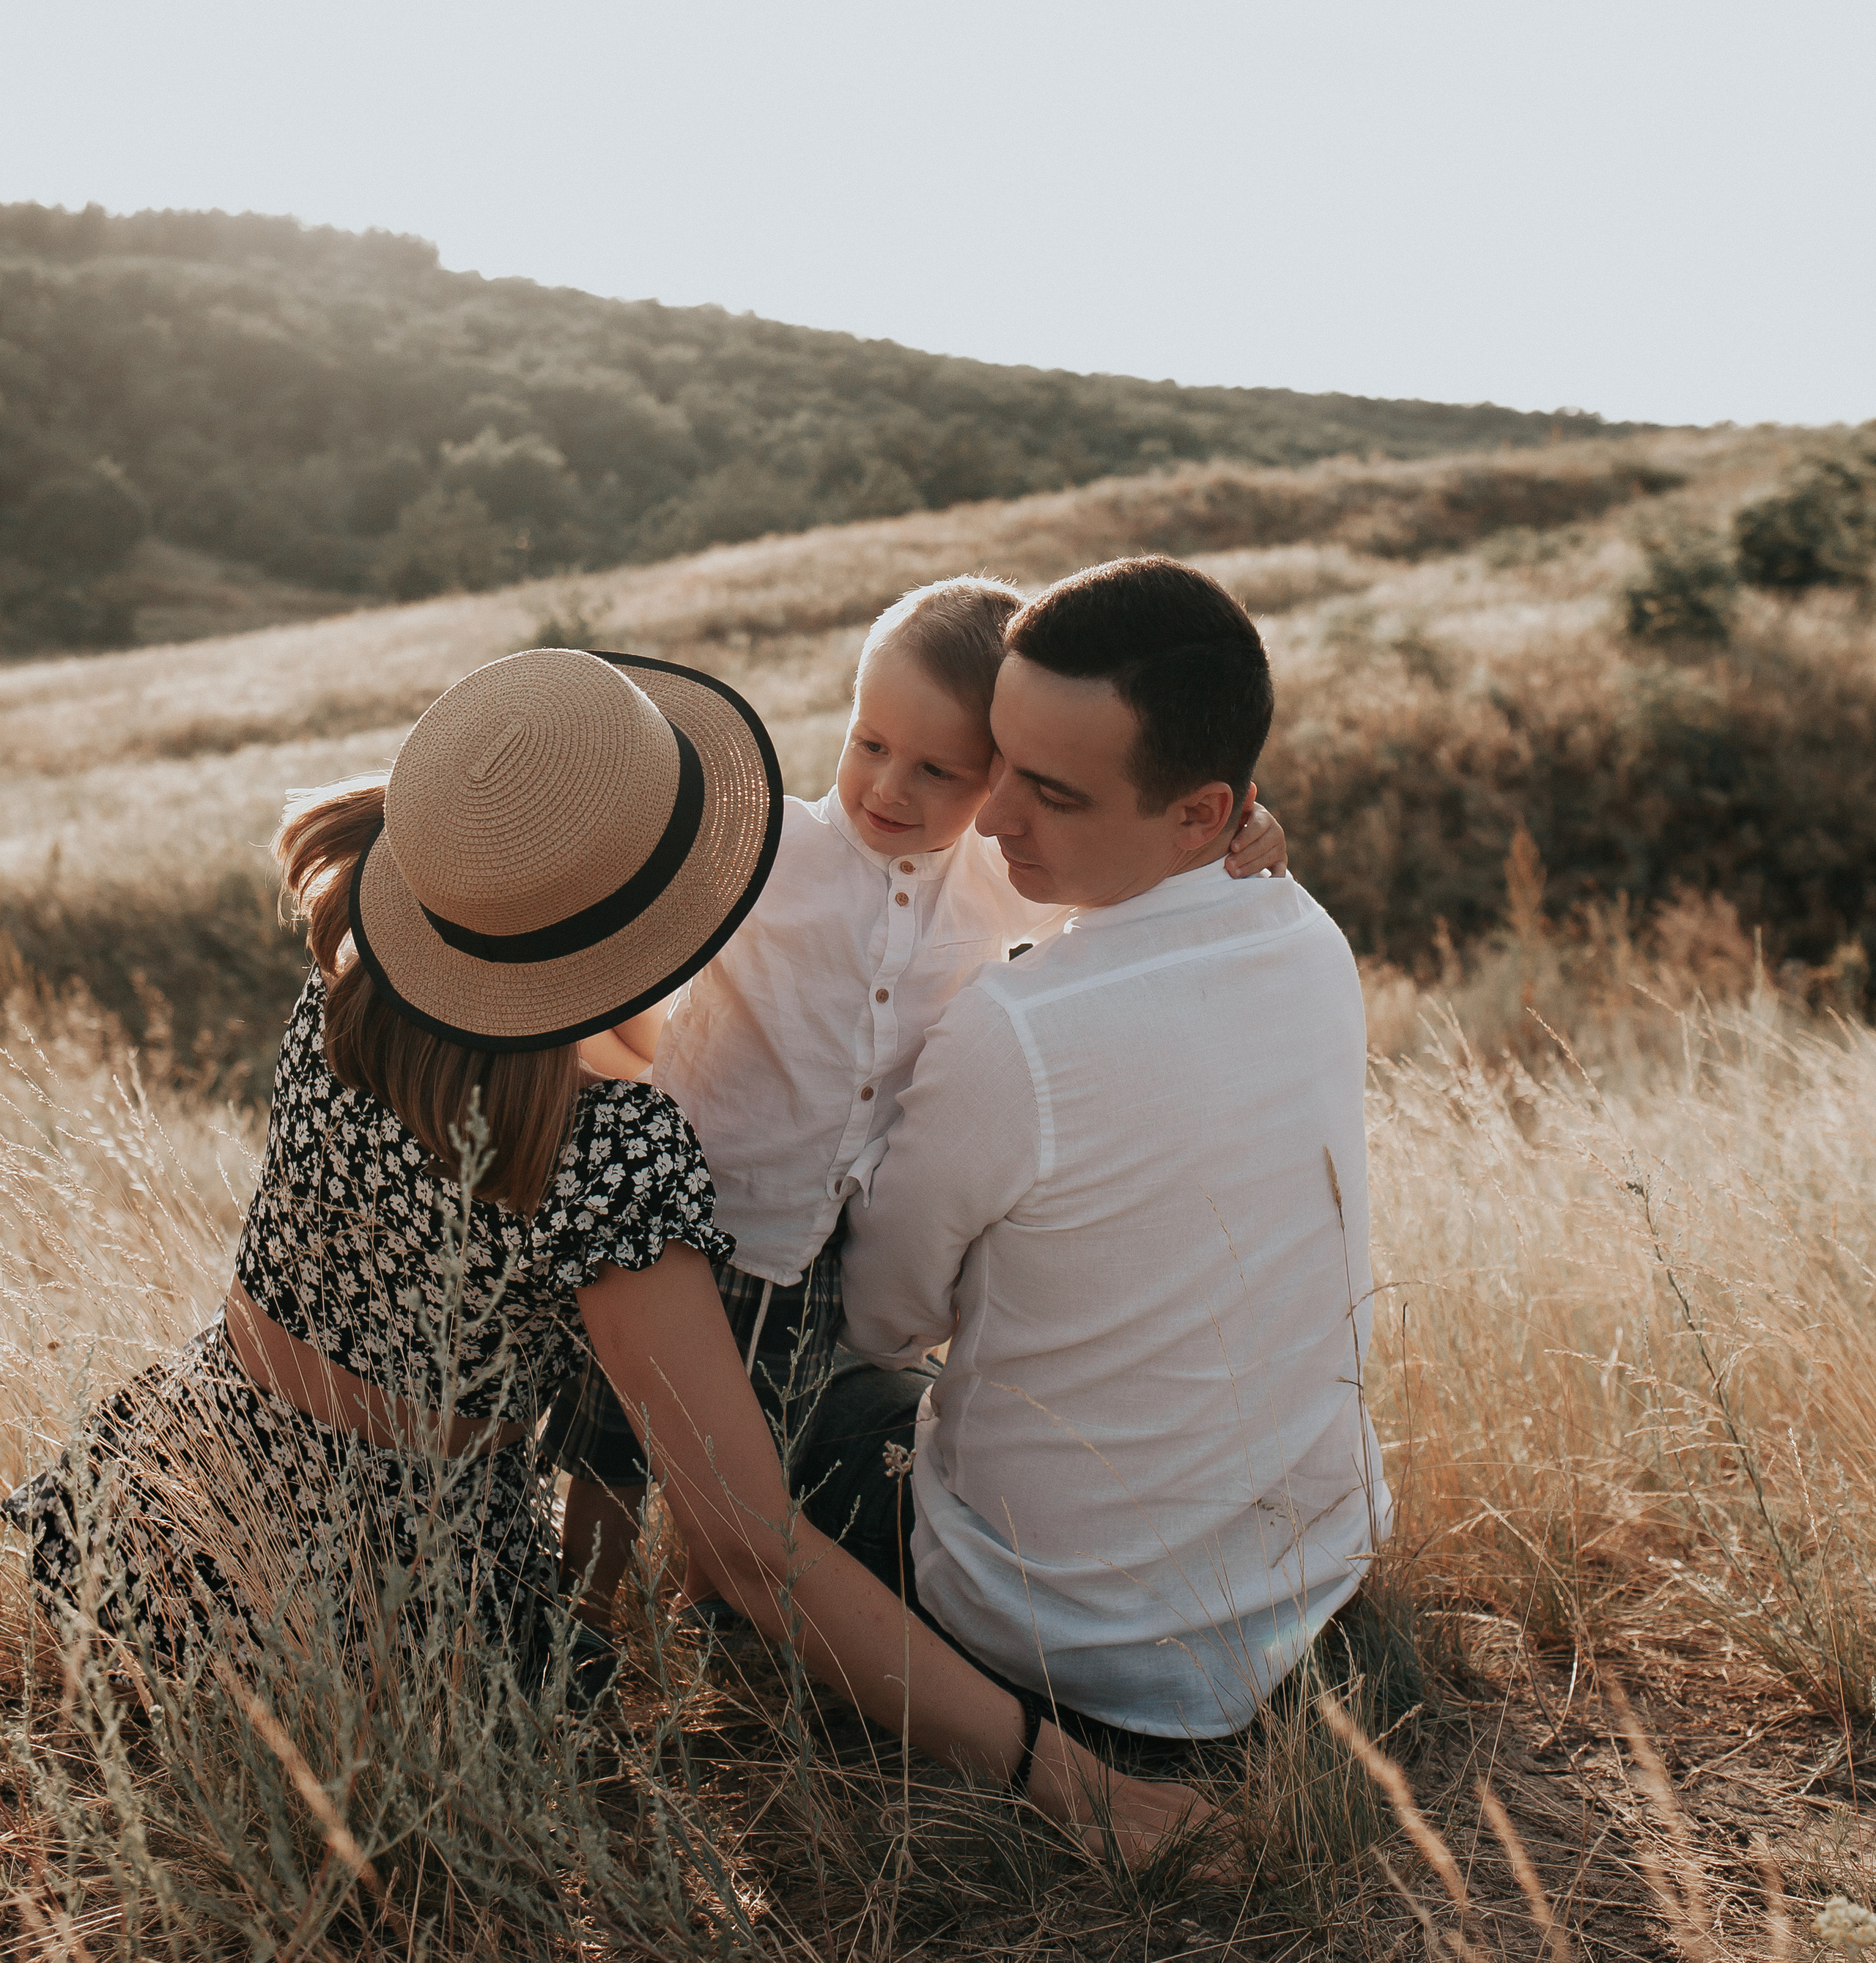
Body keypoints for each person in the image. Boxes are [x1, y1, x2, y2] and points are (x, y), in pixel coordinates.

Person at [5, 646, 1214, 1861]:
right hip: (397, 1601)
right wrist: (1052, 1772)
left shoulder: (351, 992)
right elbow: (746, 1547)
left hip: (169, 1490)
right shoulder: (610, 1157)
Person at [546, 579, 1288, 1622]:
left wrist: (1248, 834)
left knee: (756, 1460)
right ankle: (585, 1613)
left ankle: (711, 1628)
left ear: (1002, 782)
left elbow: (1142, 857)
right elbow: (634, 898)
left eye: (940, 770)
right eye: (869, 744)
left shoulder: (994, 881)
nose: (889, 786)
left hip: (805, 1253)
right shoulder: (771, 850)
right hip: (679, 1209)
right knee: (615, 1438)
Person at [826, 556, 1412, 1762]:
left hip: (1055, 1637)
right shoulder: (1310, 940)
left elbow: (881, 1318)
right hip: (1304, 1583)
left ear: (1203, 812)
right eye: (995, 763)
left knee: (790, 1388)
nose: (990, 817)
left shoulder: (1020, 1027)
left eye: (1052, 794)